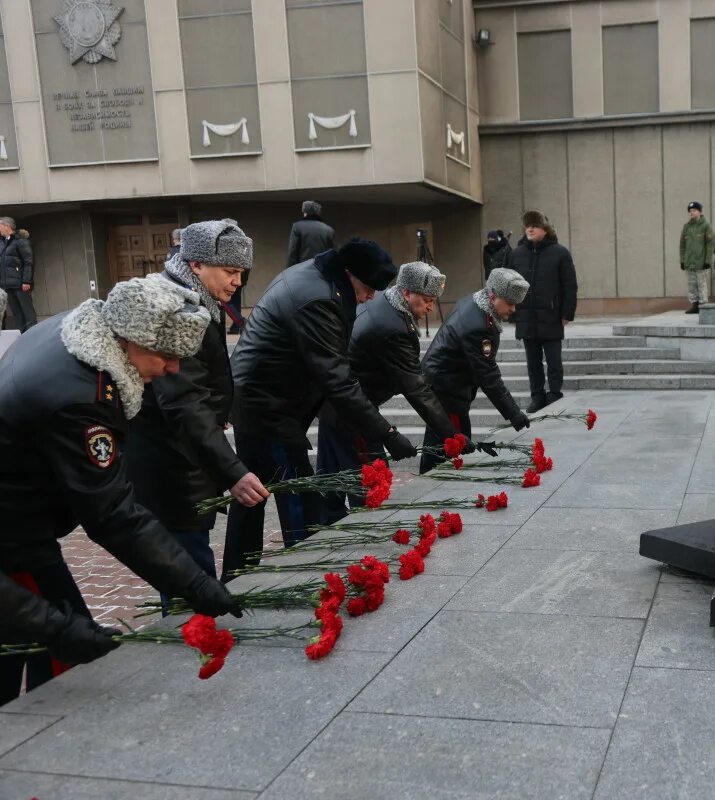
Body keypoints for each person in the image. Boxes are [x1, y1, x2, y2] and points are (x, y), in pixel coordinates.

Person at [0, 277, 243, 703]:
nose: (172, 369)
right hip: (13, 530)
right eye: (166, 356)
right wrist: (197, 585)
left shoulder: (76, 335)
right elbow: (112, 514)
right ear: (132, 340)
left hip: (24, 519)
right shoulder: (83, 396)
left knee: (62, 638)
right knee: (54, 638)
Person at [222, 238, 413, 578]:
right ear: (351, 274)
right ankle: (304, 573)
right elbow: (336, 378)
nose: (371, 297)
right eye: (368, 289)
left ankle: (238, 576)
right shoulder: (319, 298)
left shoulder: (322, 279)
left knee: (253, 494)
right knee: (298, 493)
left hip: (263, 401)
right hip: (266, 407)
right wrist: (387, 433)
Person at [127, 220, 270, 610]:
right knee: (191, 576)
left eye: (241, 272)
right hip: (170, 463)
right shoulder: (180, 309)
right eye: (229, 271)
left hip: (182, 456)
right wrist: (234, 472)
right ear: (195, 264)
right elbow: (184, 404)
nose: (237, 281)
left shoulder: (200, 298)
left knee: (191, 570)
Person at [315, 260, 474, 523]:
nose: (431, 307)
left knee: (332, 480)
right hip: (353, 413)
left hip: (337, 405)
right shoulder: (392, 327)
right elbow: (416, 388)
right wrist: (452, 435)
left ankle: (324, 528)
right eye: (426, 300)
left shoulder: (386, 306)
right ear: (405, 293)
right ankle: (369, 540)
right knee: (371, 483)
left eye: (433, 300)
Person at [420, 268, 532, 474]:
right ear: (493, 295)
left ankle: (435, 478)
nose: (514, 309)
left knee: (448, 440)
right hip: (447, 388)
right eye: (510, 303)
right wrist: (513, 413)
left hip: (446, 383)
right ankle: (431, 482)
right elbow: (488, 374)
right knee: (449, 443)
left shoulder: (475, 302)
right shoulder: (478, 326)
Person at [509, 211, 578, 412]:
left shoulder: (560, 253)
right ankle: (537, 396)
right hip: (526, 316)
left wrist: (567, 313)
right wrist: (512, 314)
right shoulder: (516, 254)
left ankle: (555, 393)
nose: (530, 229)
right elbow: (509, 286)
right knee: (533, 362)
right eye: (527, 226)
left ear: (545, 229)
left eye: (535, 226)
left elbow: (569, 286)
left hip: (551, 315)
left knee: (554, 360)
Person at [0, 218, 36, 332]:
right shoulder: (2, 243)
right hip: (8, 285)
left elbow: (28, 262)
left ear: (7, 226)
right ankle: (23, 337)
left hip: (20, 283)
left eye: (0, 226)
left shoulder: (21, 241)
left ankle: (33, 335)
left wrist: (26, 281)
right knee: (17, 314)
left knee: (27, 312)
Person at [679, 202, 714, 314]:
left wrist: (707, 260)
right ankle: (695, 305)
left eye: (694, 210)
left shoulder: (705, 226)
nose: (692, 213)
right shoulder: (686, 227)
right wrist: (682, 260)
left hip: (701, 262)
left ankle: (703, 306)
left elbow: (710, 244)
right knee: (691, 284)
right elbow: (682, 245)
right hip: (689, 262)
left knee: (701, 284)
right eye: (690, 211)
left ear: (699, 211)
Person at [286, 200, 336, 267]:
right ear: (318, 213)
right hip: (321, 270)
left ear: (305, 213)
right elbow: (332, 254)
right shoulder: (329, 230)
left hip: (302, 269)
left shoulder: (297, 226)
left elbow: (293, 253)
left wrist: (289, 271)